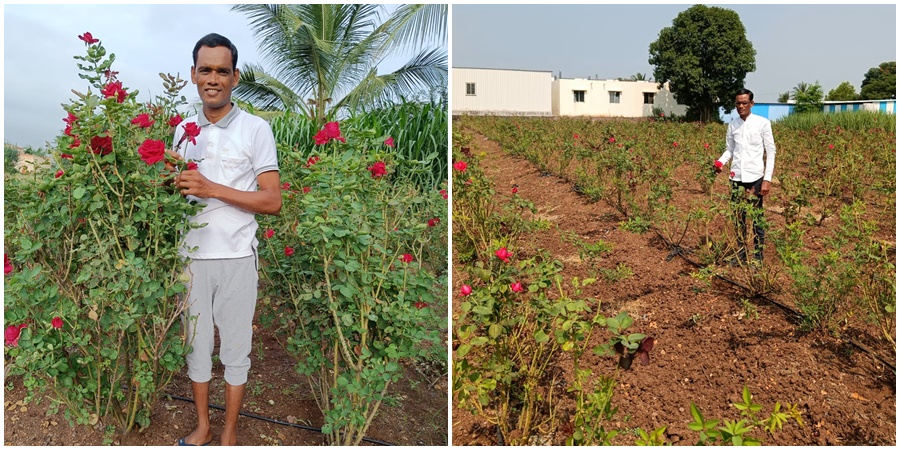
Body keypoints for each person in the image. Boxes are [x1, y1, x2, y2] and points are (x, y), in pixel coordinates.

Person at [170, 33, 282, 446]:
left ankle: (229, 435)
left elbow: (272, 201)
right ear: (193, 75)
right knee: (195, 350)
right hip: (191, 259)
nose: (212, 78)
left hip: (236, 258)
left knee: (235, 352)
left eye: (222, 70)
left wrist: (212, 188)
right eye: (205, 70)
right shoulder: (181, 132)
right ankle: (202, 427)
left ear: (235, 77)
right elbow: (174, 193)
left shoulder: (256, 129)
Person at [714, 88, 776, 265]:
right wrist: (720, 163)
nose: (741, 106)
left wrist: (767, 178)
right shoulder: (732, 125)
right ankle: (741, 253)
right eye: (738, 103)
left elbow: (770, 151)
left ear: (752, 104)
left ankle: (757, 258)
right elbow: (730, 150)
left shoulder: (763, 123)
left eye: (744, 103)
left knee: (756, 219)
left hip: (755, 178)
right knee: (738, 218)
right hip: (736, 178)